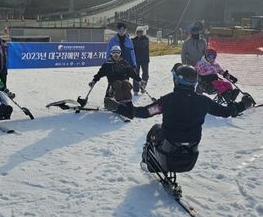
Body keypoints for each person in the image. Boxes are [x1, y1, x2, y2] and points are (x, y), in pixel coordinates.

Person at [106, 64, 254, 175]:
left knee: (154, 130)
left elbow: (144, 112)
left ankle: (148, 163)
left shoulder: (168, 101)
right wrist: (243, 105)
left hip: (169, 154)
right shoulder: (203, 101)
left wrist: (118, 107)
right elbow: (226, 112)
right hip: (191, 156)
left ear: (176, 81)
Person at [132, 25, 150, 96]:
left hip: (145, 60)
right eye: (138, 32)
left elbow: (141, 44)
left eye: (141, 32)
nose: (139, 33)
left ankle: (143, 87)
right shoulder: (134, 39)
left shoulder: (146, 39)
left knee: (145, 74)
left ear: (143, 32)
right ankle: (136, 89)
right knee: (136, 74)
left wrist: (133, 42)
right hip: (136, 60)